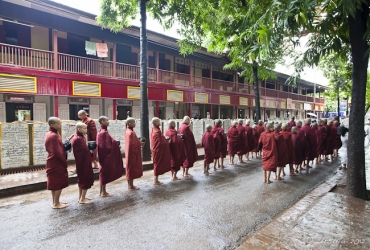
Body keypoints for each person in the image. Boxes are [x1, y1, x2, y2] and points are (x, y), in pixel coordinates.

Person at [96, 116, 124, 197]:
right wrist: (116, 145)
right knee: (104, 173)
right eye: (106, 120)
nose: (108, 121)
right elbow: (105, 147)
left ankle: (102, 191)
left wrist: (114, 143)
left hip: (103, 156)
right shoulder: (103, 132)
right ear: (102, 122)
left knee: (103, 173)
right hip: (105, 156)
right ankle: (103, 192)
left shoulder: (102, 131)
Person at [45, 117, 69, 209]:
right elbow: (56, 152)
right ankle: (56, 204)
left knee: (54, 182)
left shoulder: (50, 133)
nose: (60, 125)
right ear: (52, 125)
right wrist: (63, 161)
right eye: (58, 123)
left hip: (52, 161)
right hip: (56, 161)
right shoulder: (54, 135)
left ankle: (56, 201)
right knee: (58, 182)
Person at [72, 122, 94, 204]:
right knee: (85, 178)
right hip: (83, 162)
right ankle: (82, 199)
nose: (86, 130)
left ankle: (81, 197)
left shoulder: (80, 137)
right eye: (84, 128)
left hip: (83, 161)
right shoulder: (78, 138)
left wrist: (86, 138)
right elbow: (85, 149)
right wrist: (86, 140)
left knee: (81, 179)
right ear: (79, 129)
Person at [150, 117, 171, 185]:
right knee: (157, 164)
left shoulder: (154, 129)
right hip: (158, 150)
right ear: (156, 123)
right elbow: (159, 142)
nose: (160, 122)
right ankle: (155, 181)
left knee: (157, 164)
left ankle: (156, 180)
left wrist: (164, 140)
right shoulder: (157, 131)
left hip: (156, 150)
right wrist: (167, 142)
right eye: (159, 121)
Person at [125, 118, 144, 190]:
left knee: (129, 168)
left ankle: (130, 184)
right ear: (129, 123)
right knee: (131, 168)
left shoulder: (128, 131)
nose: (135, 124)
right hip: (132, 153)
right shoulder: (131, 132)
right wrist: (140, 143)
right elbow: (132, 144)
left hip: (129, 152)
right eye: (133, 122)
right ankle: (131, 185)